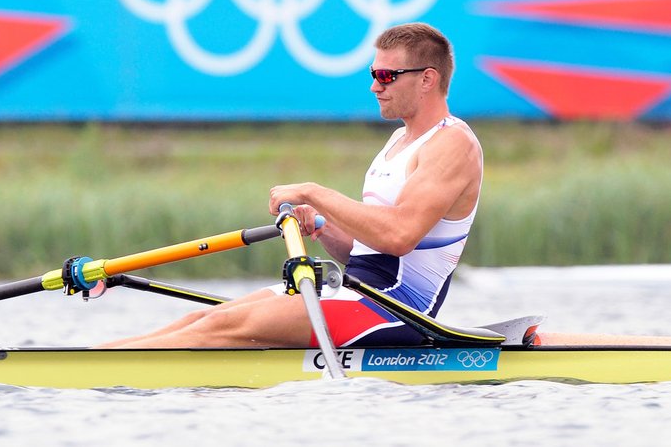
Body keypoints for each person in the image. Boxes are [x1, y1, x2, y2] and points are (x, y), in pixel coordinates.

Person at [98, 22, 483, 349]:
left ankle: (85, 375)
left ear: (427, 79)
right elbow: (370, 255)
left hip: (396, 310)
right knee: (203, 317)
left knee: (220, 330)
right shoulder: (397, 142)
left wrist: (315, 192)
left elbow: (399, 236)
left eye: (386, 76)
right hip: (360, 291)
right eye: (373, 75)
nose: (374, 87)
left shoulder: (452, 143)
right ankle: (89, 358)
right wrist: (324, 227)